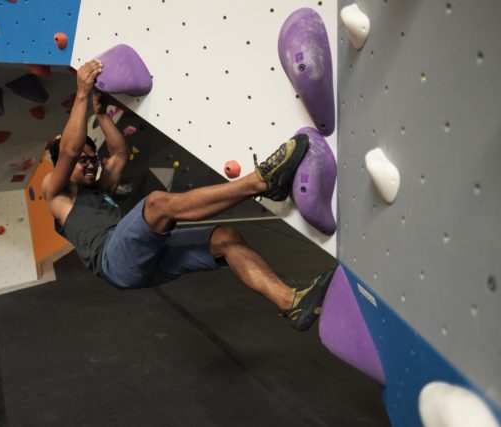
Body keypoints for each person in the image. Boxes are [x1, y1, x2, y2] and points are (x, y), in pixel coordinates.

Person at [42, 59, 334, 331]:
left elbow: (118, 153)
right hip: (114, 260)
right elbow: (68, 149)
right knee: (156, 204)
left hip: (145, 259)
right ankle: (263, 183)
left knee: (225, 238)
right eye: (82, 161)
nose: (90, 164)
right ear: (63, 168)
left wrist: (102, 114)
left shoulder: (100, 187)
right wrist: (82, 94)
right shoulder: (57, 195)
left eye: (92, 159)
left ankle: (291, 303)